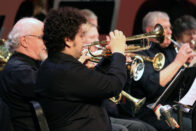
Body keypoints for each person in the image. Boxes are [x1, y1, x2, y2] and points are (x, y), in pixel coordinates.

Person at [35, 7, 127, 131]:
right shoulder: (66, 70)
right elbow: (113, 86)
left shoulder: (55, 64)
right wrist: (119, 53)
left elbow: (94, 83)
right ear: (68, 40)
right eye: (80, 36)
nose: (83, 41)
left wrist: (108, 58)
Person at [81, 22, 157, 131]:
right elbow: (106, 91)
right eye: (92, 37)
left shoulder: (99, 59)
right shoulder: (81, 62)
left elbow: (121, 98)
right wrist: (116, 60)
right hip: (96, 114)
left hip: (109, 112)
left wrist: (123, 67)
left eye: (97, 36)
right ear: (81, 40)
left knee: (146, 128)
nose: (98, 42)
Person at [128, 11, 196, 131]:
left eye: (170, 27)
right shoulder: (139, 53)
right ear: (150, 30)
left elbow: (180, 83)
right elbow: (152, 87)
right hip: (149, 111)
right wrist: (178, 62)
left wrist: (190, 64)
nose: (170, 31)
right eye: (164, 28)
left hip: (173, 107)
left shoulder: (171, 50)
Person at [0, 17, 47, 131]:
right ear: (25, 41)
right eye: (42, 38)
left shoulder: (29, 64)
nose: (47, 43)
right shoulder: (19, 70)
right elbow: (51, 88)